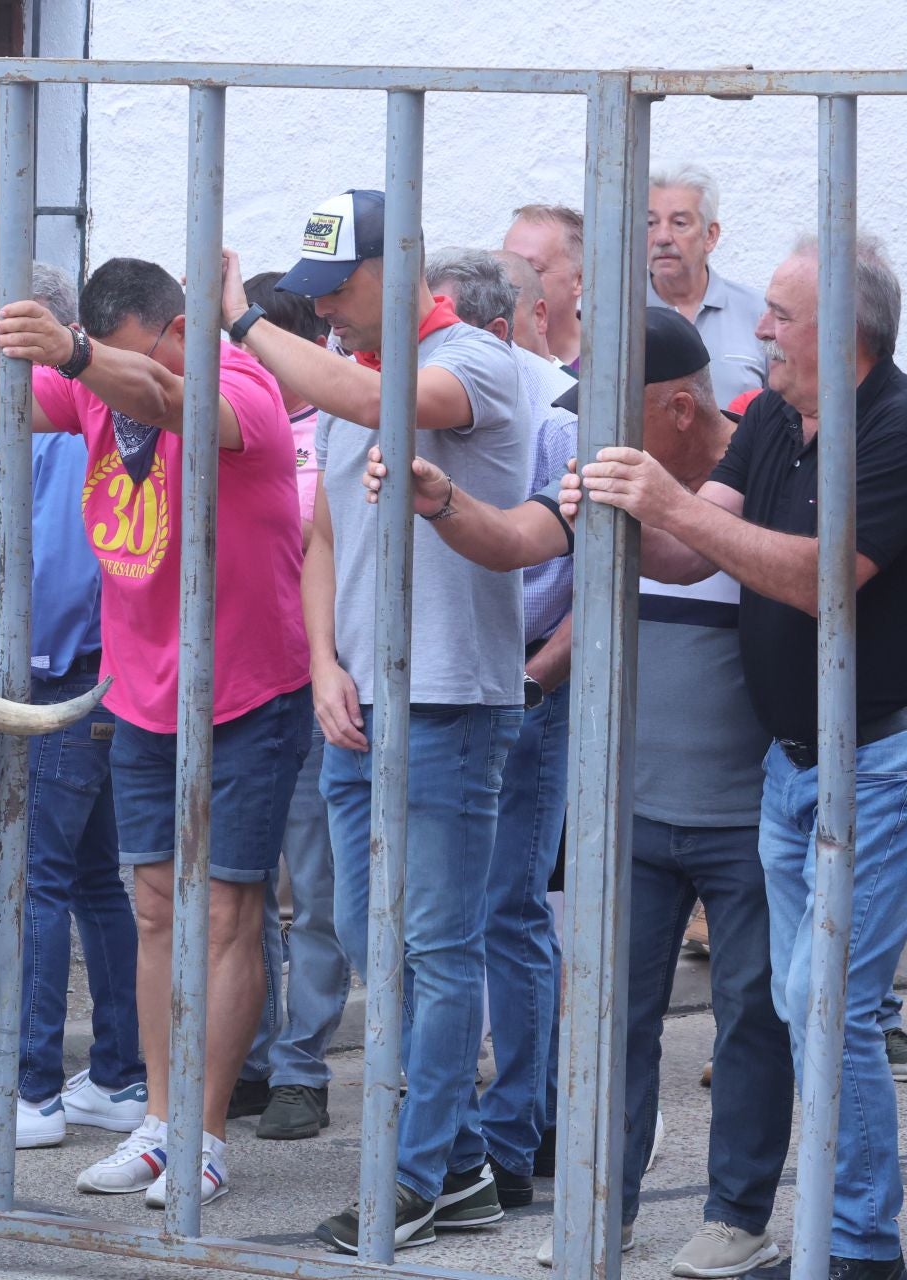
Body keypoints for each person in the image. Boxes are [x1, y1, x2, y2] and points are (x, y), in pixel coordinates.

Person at [367, 305, 795, 1278]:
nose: (593, 429)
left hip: (749, 815)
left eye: (614, 407)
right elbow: (518, 539)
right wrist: (443, 502)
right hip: (630, 812)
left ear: (678, 409)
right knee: (610, 1017)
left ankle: (735, 1217)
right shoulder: (606, 476)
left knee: (750, 1022)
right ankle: (606, 1207)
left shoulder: (767, 476)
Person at [0, 256, 311, 1208]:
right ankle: (157, 1124)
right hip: (141, 695)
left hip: (245, 695)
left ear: (179, 330)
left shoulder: (242, 383)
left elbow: (169, 400)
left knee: (227, 914)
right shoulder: (97, 383)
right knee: (154, 910)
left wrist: (79, 355)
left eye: (133, 354)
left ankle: (204, 1137)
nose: (117, 375)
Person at [571, 237, 907, 1280]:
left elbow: (823, 579)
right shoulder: (770, 420)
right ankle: (848, 1231)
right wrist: (619, 501)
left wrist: (667, 500)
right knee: (805, 1003)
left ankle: (859, 1241)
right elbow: (689, 548)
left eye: (781, 316)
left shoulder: (895, 428)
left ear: (844, 335)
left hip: (878, 760)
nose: (759, 329)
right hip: (791, 767)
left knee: (824, 1003)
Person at [224, 188, 528, 1251]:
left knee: (435, 950)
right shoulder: (349, 369)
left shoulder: (475, 361)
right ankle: (463, 1167)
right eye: (308, 294)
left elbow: (372, 402)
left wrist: (241, 320)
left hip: (447, 700)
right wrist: (322, 664)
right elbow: (321, 539)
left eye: (336, 289)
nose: (322, 311)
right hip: (358, 701)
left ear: (400, 270)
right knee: (367, 938)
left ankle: (414, 1177)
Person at [0, 263, 148, 1154]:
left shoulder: (68, 415)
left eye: (6, 335)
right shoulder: (55, 417)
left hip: (58, 678)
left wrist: (9, 684)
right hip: (78, 673)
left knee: (31, 880)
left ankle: (30, 1091)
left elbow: (59, 566)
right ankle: (120, 1076)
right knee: (89, 879)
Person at [424, 247, 576, 1209]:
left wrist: (532, 677)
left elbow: (590, 576)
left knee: (510, 909)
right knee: (448, 916)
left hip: (523, 682)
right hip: (450, 678)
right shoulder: (416, 398)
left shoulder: (555, 419)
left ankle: (515, 1134)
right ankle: (470, 1130)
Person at [226, 271, 352, 1144]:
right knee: (240, 888)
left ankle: (301, 1068)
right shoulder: (227, 425)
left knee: (312, 891)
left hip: (311, 689)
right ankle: (250, 1055)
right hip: (240, 684)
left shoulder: (333, 428)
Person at [647, 163, 768, 407]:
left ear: (710, 235)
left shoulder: (759, 313)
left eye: (679, 223)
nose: (662, 237)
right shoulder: (619, 316)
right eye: (650, 223)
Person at [503, 204, 585, 368]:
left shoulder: (611, 365)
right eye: (505, 268)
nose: (512, 281)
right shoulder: (488, 355)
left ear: (580, 280)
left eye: (533, 270)